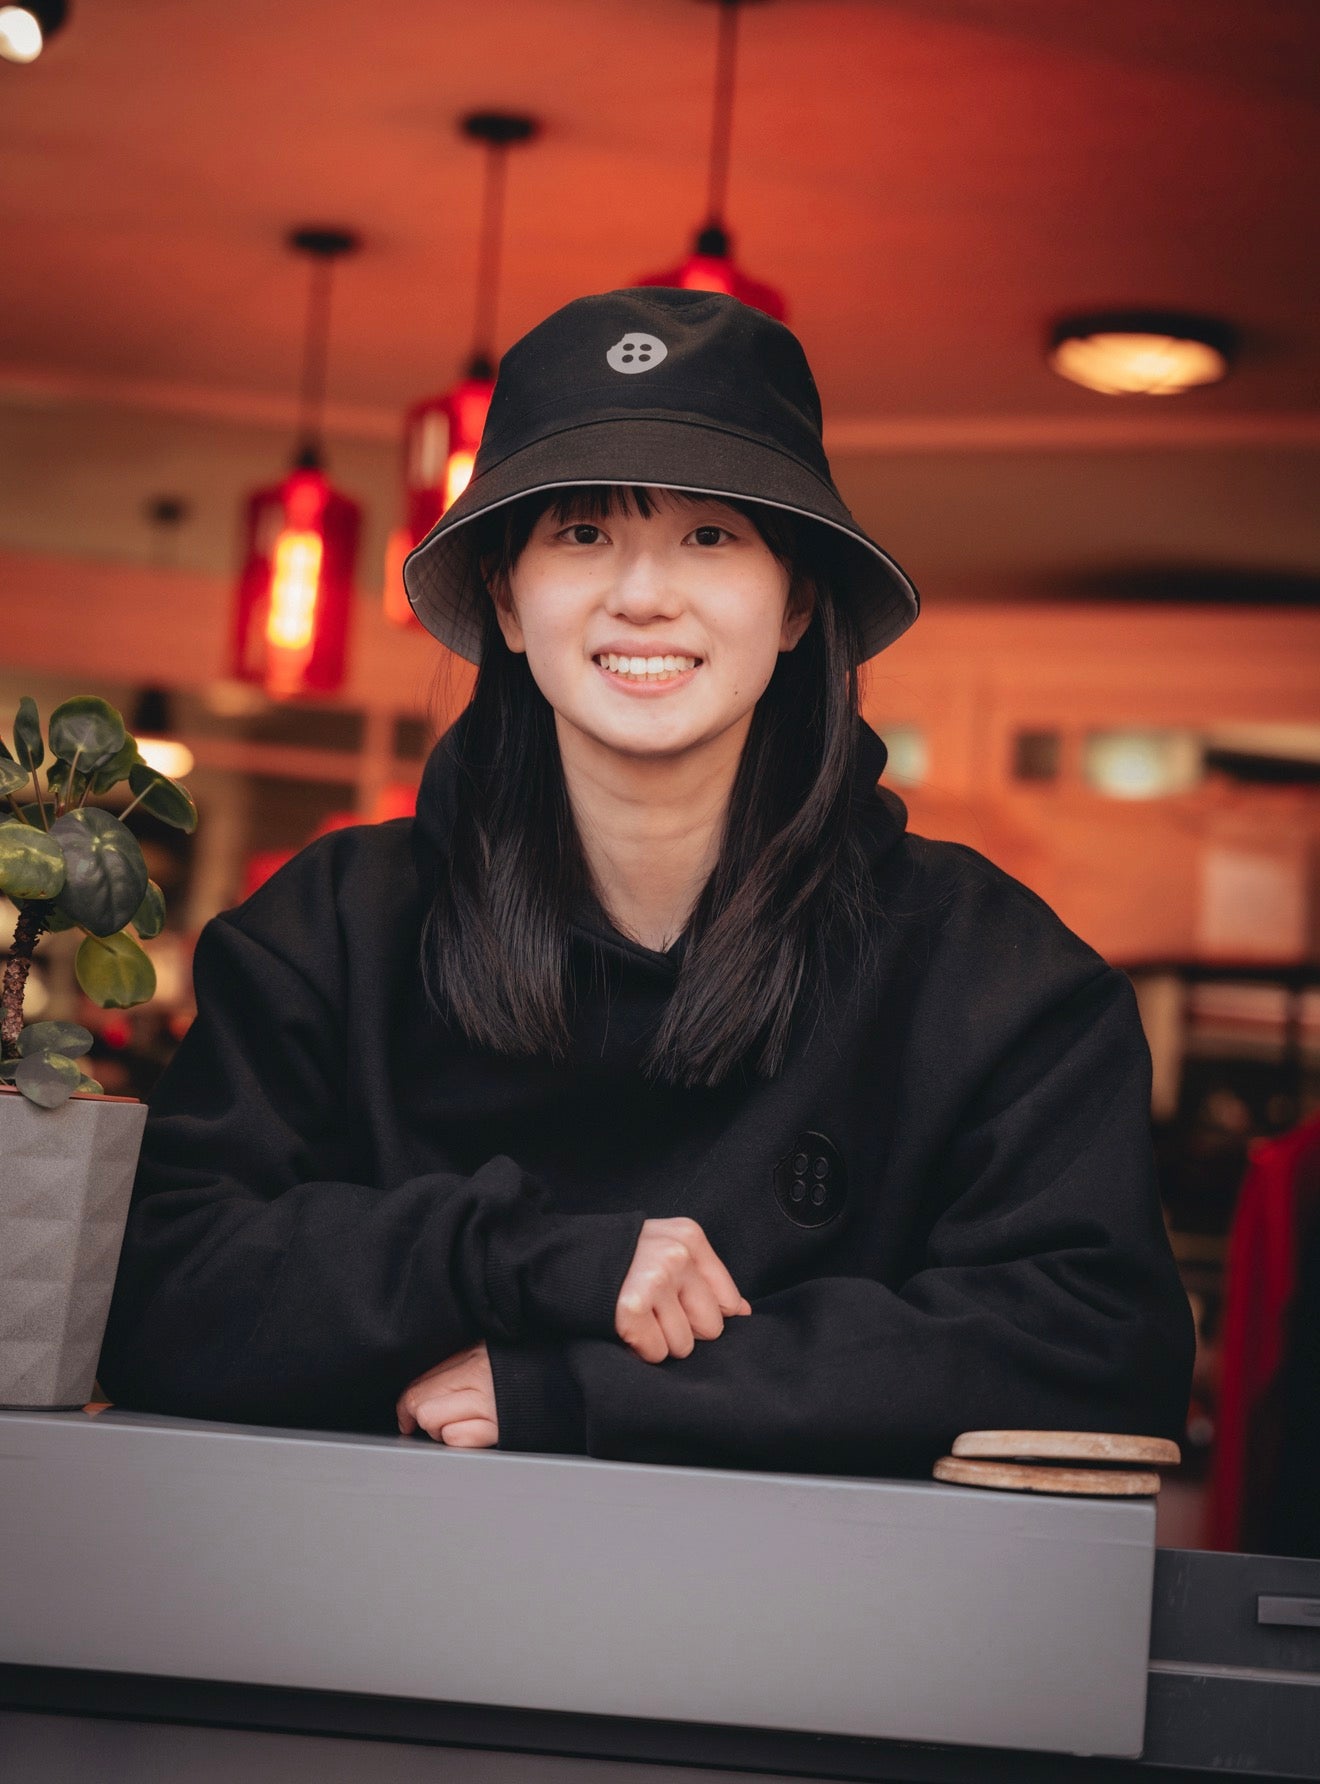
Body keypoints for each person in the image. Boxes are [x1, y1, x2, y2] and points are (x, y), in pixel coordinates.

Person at [97, 288, 1196, 1473]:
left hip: (823, 1634)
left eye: (710, 535)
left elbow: (1101, 1339)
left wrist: (581, 1388)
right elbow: (154, 1288)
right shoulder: (334, 928)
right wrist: (528, 1256)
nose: (641, 593)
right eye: (581, 533)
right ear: (508, 601)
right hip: (354, 1608)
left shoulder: (986, 966)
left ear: (797, 602)